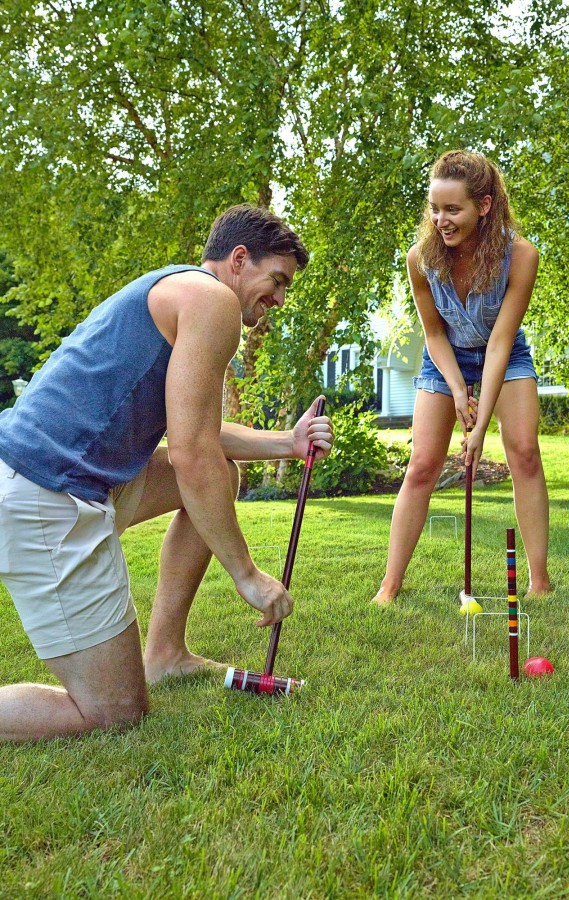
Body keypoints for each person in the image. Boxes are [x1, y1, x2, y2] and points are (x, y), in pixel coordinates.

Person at [0, 204, 334, 742]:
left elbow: (197, 430)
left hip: (68, 477)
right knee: (114, 712)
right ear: (240, 259)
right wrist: (247, 575)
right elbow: (191, 451)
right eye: (276, 281)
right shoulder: (211, 300)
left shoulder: (181, 291)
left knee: (222, 474)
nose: (277, 299)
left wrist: (289, 443)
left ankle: (167, 653)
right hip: (46, 493)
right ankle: (148, 666)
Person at [371, 150, 551, 605]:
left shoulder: (521, 256)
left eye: (453, 209)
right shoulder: (422, 259)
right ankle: (390, 584)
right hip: (446, 357)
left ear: (484, 206)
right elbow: (433, 333)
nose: (441, 219)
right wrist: (456, 390)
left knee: (525, 454)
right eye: (435, 208)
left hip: (503, 357)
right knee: (422, 466)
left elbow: (500, 343)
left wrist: (479, 426)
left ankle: (539, 580)